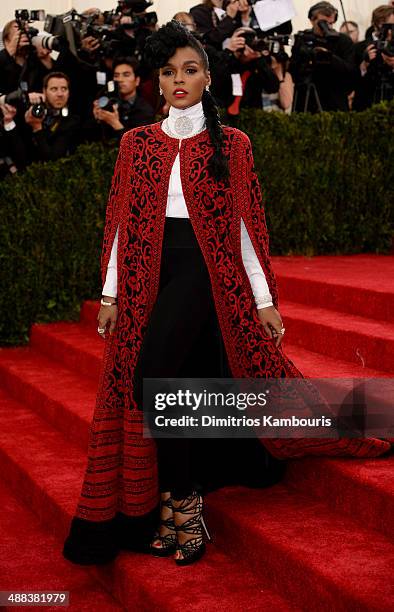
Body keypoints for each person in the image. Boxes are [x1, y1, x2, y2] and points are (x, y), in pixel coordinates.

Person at [62, 20, 391, 569]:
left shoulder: (232, 143)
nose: (178, 80)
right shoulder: (136, 144)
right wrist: (112, 294)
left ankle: (184, 504)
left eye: (190, 69)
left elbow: (245, 230)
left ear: (208, 75)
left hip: (207, 277)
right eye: (168, 72)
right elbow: (120, 224)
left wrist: (263, 299)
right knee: (176, 392)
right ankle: (176, 505)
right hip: (148, 278)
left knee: (152, 380)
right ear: (156, 81)